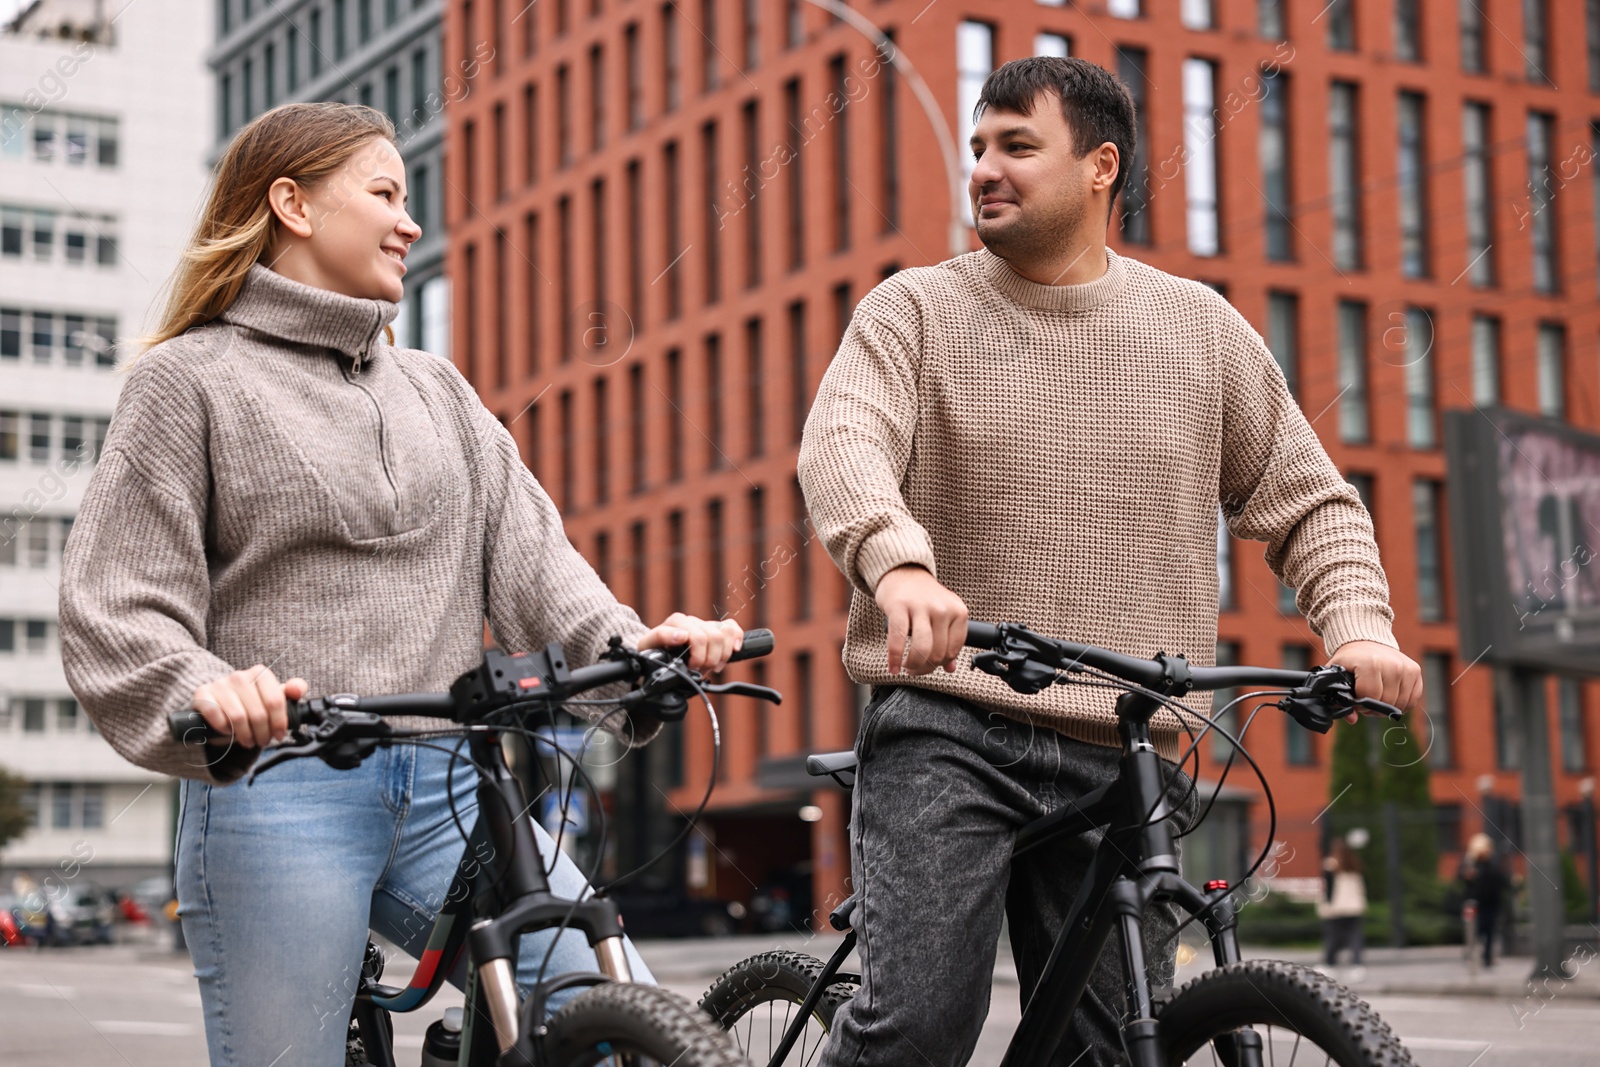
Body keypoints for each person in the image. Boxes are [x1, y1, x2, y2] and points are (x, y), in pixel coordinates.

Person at [56, 102, 744, 1066]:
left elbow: (542, 569)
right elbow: (118, 601)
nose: (411, 222)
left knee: (600, 1003)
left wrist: (635, 652)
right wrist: (202, 689)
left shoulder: (439, 390)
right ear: (291, 204)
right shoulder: (189, 381)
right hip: (281, 782)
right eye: (385, 193)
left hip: (459, 786)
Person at [798, 56, 1424, 1066]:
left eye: (1015, 145)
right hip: (950, 722)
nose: (984, 170)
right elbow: (845, 447)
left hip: (1128, 732)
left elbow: (1310, 501)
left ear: (1100, 166)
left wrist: (1357, 624)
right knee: (915, 1028)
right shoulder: (912, 310)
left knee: (1106, 1049)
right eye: (977, 147)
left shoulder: (1201, 329)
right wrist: (898, 564)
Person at [1318, 838, 1367, 979]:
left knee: (1333, 937)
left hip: (1337, 907)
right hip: (1354, 906)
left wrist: (1325, 906)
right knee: (1354, 937)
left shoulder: (1329, 865)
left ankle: (1329, 964)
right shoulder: (1354, 864)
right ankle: (1357, 965)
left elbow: (1328, 889)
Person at [1461, 832, 1508, 968]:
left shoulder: (1491, 865)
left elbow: (1500, 881)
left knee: (1489, 931)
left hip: (1491, 903)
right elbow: (1463, 880)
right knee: (1476, 929)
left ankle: (1486, 957)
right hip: (1475, 903)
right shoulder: (1469, 864)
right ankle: (1473, 953)